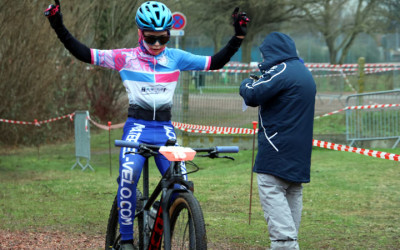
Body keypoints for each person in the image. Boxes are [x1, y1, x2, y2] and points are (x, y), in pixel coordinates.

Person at [44, 1, 249, 249]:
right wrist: (58, 25)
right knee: (129, 174)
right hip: (137, 128)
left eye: (162, 39)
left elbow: (215, 61)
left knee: (181, 183)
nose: (156, 45)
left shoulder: (176, 57)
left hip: (164, 130)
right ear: (140, 34)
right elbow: (84, 53)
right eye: (151, 39)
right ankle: (128, 240)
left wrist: (238, 36)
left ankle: (157, 215)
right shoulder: (125, 57)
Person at [239, 32, 316, 250]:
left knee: (283, 236)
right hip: (299, 157)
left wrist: (246, 83)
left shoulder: (282, 70)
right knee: (290, 226)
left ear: (273, 52)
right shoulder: (304, 72)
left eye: (264, 55)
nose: (262, 60)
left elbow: (253, 94)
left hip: (275, 154)